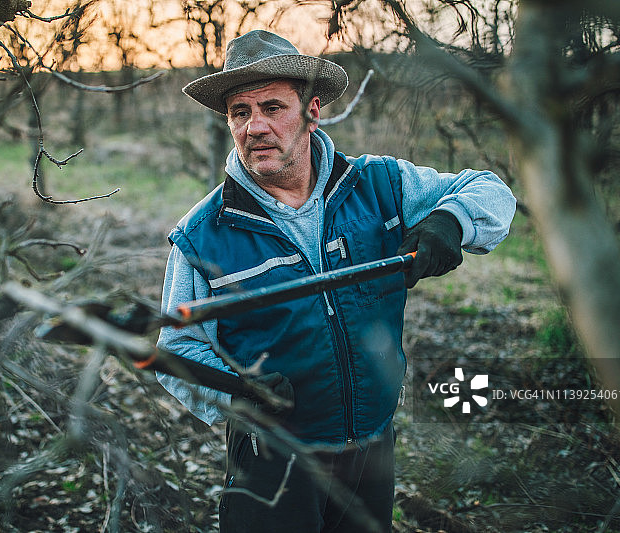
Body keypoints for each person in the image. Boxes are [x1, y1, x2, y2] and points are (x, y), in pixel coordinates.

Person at [156, 30, 516, 533]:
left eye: (272, 107)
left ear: (312, 110)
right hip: (273, 463)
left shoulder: (379, 185)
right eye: (240, 112)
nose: (255, 126)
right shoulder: (203, 235)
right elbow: (176, 348)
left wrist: (449, 222)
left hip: (372, 448)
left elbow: (490, 190)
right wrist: (235, 391)